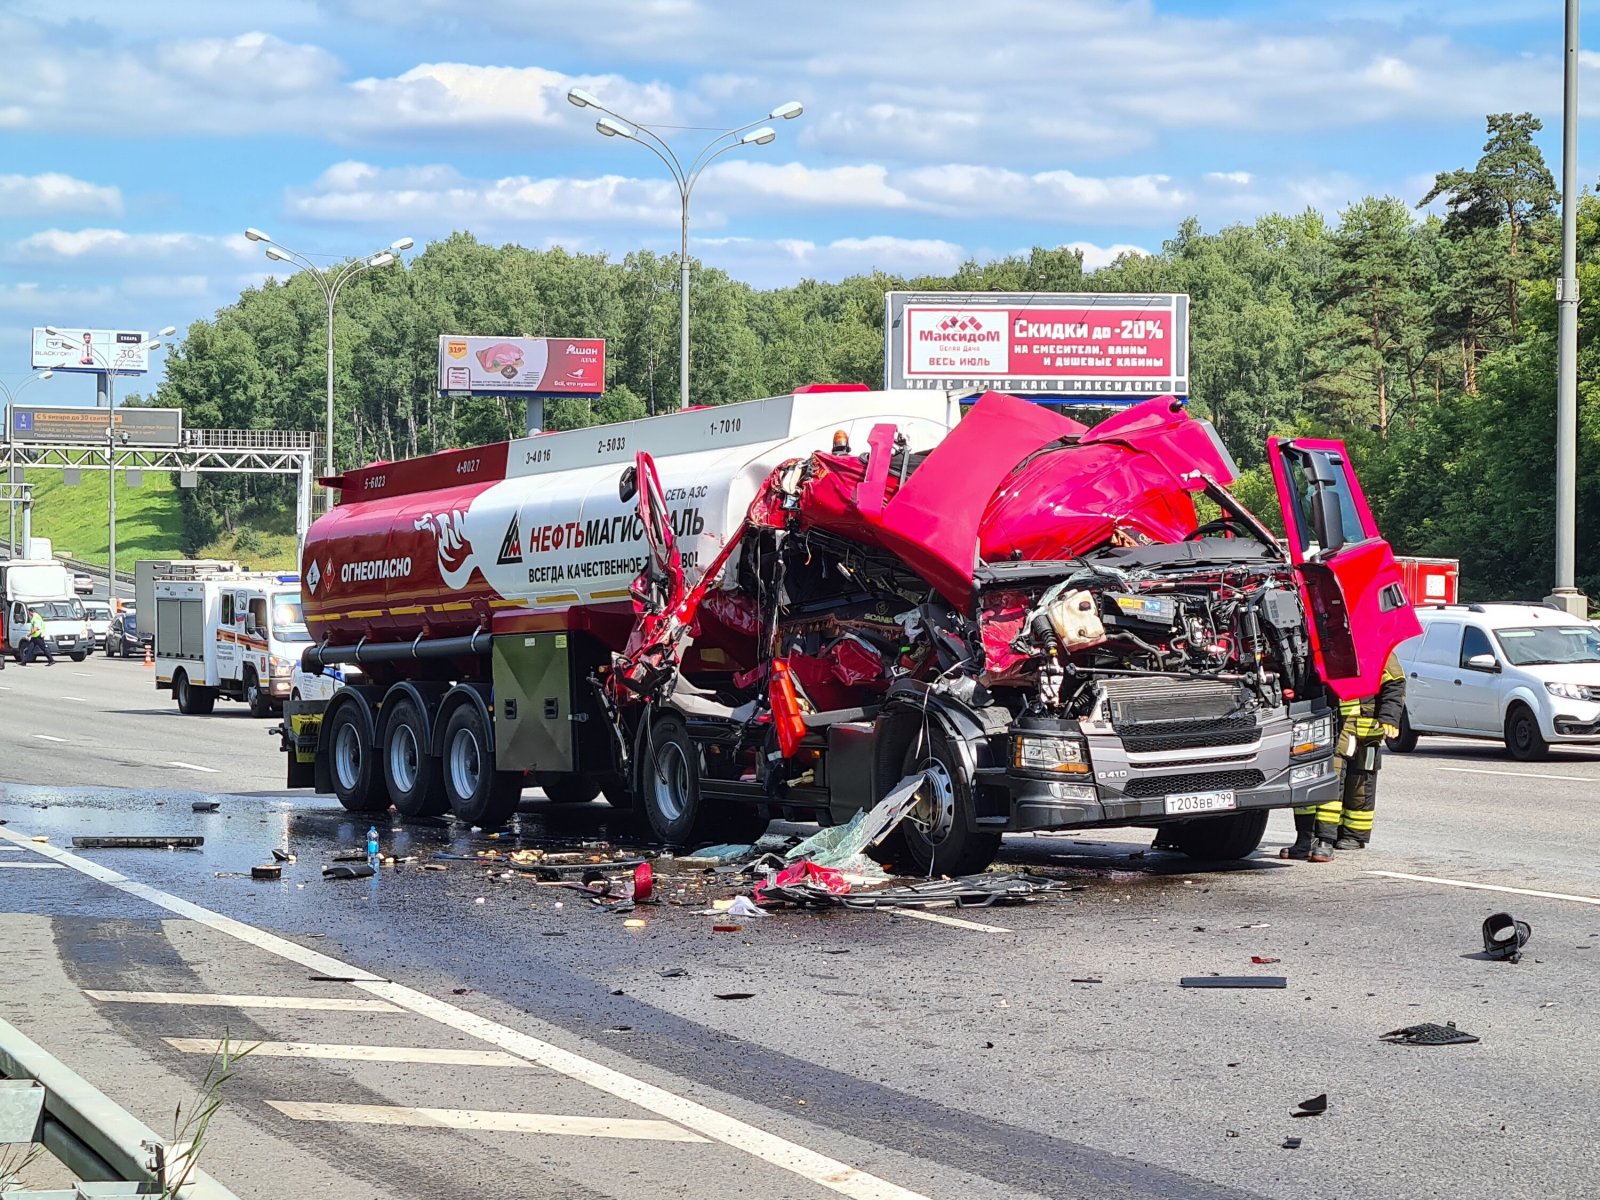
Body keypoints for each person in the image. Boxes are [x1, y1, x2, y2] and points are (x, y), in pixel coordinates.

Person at [1282, 651, 1406, 862]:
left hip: (1359, 729)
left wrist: (1389, 719)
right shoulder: (1315, 645)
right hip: (1321, 722)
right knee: (1307, 778)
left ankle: (1336, 837)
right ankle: (1306, 838)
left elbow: (1394, 684)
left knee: (1352, 782)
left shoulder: (1375, 648)